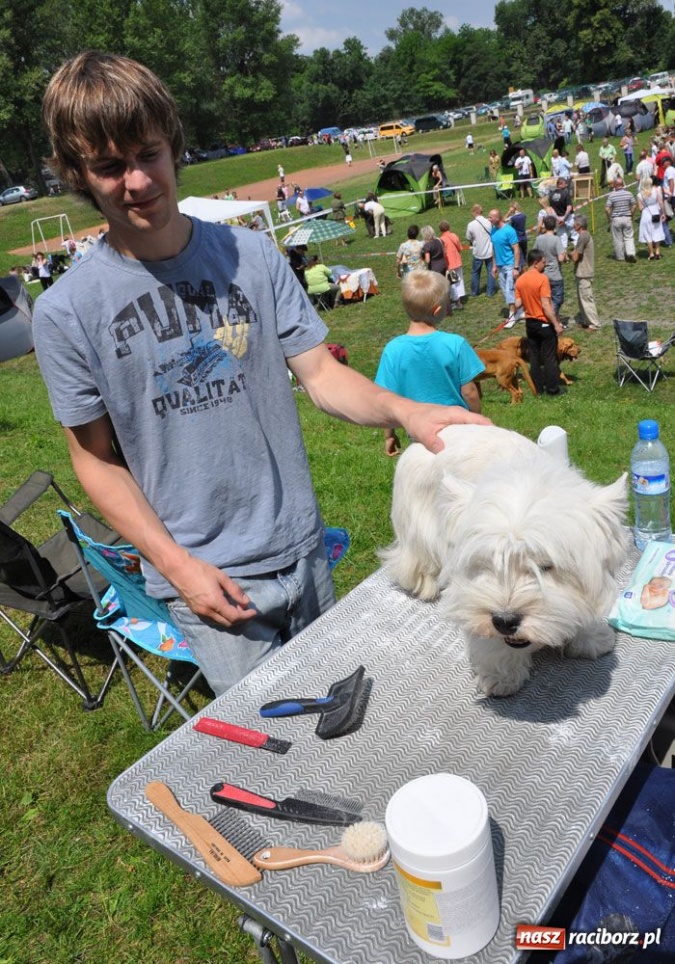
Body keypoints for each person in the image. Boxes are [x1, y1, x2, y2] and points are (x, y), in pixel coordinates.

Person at [33, 51, 490, 698]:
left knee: (343, 710)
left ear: (173, 145)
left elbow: (321, 375)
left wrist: (406, 411)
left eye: (148, 154)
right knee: (275, 736)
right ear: (77, 173)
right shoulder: (65, 311)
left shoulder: (251, 255)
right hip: (208, 580)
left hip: (302, 548)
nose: (136, 181)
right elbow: (94, 460)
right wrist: (178, 569)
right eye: (109, 167)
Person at [375, 271, 484, 456]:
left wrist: (389, 435)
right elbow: (470, 392)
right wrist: (477, 420)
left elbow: (387, 399)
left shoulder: (392, 350)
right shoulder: (456, 344)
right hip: (457, 430)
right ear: (437, 310)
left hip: (419, 434)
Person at [514, 249, 564, 396]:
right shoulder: (542, 279)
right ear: (535, 263)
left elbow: (517, 303)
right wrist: (556, 324)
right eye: (543, 262)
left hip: (530, 324)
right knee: (549, 357)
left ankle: (538, 388)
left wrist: (526, 297)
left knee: (534, 357)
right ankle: (553, 389)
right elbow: (546, 306)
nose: (545, 264)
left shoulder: (520, 280)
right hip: (543, 323)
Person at [489, 208, 521, 321]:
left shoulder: (509, 231)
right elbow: (494, 249)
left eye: (491, 217)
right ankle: (519, 310)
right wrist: (494, 266)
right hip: (500, 266)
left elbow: (516, 249)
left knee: (510, 290)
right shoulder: (493, 231)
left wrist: (516, 267)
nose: (489, 219)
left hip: (510, 265)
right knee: (505, 291)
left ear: (497, 218)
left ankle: (511, 317)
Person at [571, 214, 601, 330]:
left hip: (584, 272)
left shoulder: (582, 236)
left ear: (579, 225)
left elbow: (575, 257)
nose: (573, 225)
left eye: (574, 223)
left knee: (586, 298)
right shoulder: (584, 235)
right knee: (581, 299)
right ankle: (586, 320)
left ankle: (594, 323)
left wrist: (571, 254)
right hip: (582, 272)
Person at [536, 215, 567, 328]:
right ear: (555, 226)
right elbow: (561, 259)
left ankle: (554, 320)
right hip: (555, 275)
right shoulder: (556, 239)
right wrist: (564, 254)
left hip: (542, 274)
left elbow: (535, 253)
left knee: (546, 299)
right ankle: (550, 320)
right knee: (557, 299)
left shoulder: (539, 239)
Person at [465, 204, 496, 297]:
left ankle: (474, 292)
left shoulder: (471, 224)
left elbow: (468, 237)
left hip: (478, 251)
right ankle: (490, 291)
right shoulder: (488, 222)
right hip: (489, 251)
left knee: (475, 272)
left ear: (474, 212)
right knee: (490, 271)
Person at [605, 176, 637, 262]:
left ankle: (620, 256)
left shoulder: (611, 195)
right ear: (622, 184)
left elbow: (607, 209)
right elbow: (634, 205)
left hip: (616, 219)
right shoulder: (629, 194)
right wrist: (631, 215)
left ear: (615, 185)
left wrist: (609, 219)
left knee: (618, 239)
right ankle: (630, 253)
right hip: (627, 218)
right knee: (629, 237)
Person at [637, 175, 666, 260]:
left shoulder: (639, 195)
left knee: (647, 234)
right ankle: (657, 251)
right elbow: (660, 202)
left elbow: (640, 208)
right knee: (657, 232)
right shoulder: (656, 190)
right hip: (655, 213)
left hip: (646, 215)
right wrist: (663, 213)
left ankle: (651, 253)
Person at [438, 219, 465, 310]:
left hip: (449, 263)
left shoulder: (441, 240)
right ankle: (460, 298)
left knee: (452, 283)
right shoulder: (454, 235)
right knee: (459, 280)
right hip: (457, 261)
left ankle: (457, 301)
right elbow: (460, 248)